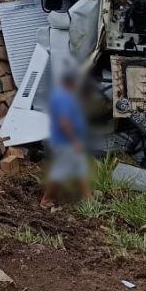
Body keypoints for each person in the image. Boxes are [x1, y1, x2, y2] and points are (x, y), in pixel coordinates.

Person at [41, 69, 91, 209]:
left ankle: (88, 199)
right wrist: (75, 140)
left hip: (69, 142)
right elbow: (64, 121)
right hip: (65, 142)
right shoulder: (63, 97)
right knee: (60, 171)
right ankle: (46, 199)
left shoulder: (64, 95)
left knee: (81, 169)